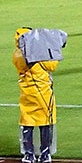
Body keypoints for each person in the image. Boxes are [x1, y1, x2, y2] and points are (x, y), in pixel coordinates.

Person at [13, 28, 59, 163]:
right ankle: (45, 154)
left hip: (27, 96)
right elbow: (52, 65)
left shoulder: (17, 55)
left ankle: (29, 154)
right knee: (45, 124)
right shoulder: (37, 54)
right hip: (43, 94)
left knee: (28, 124)